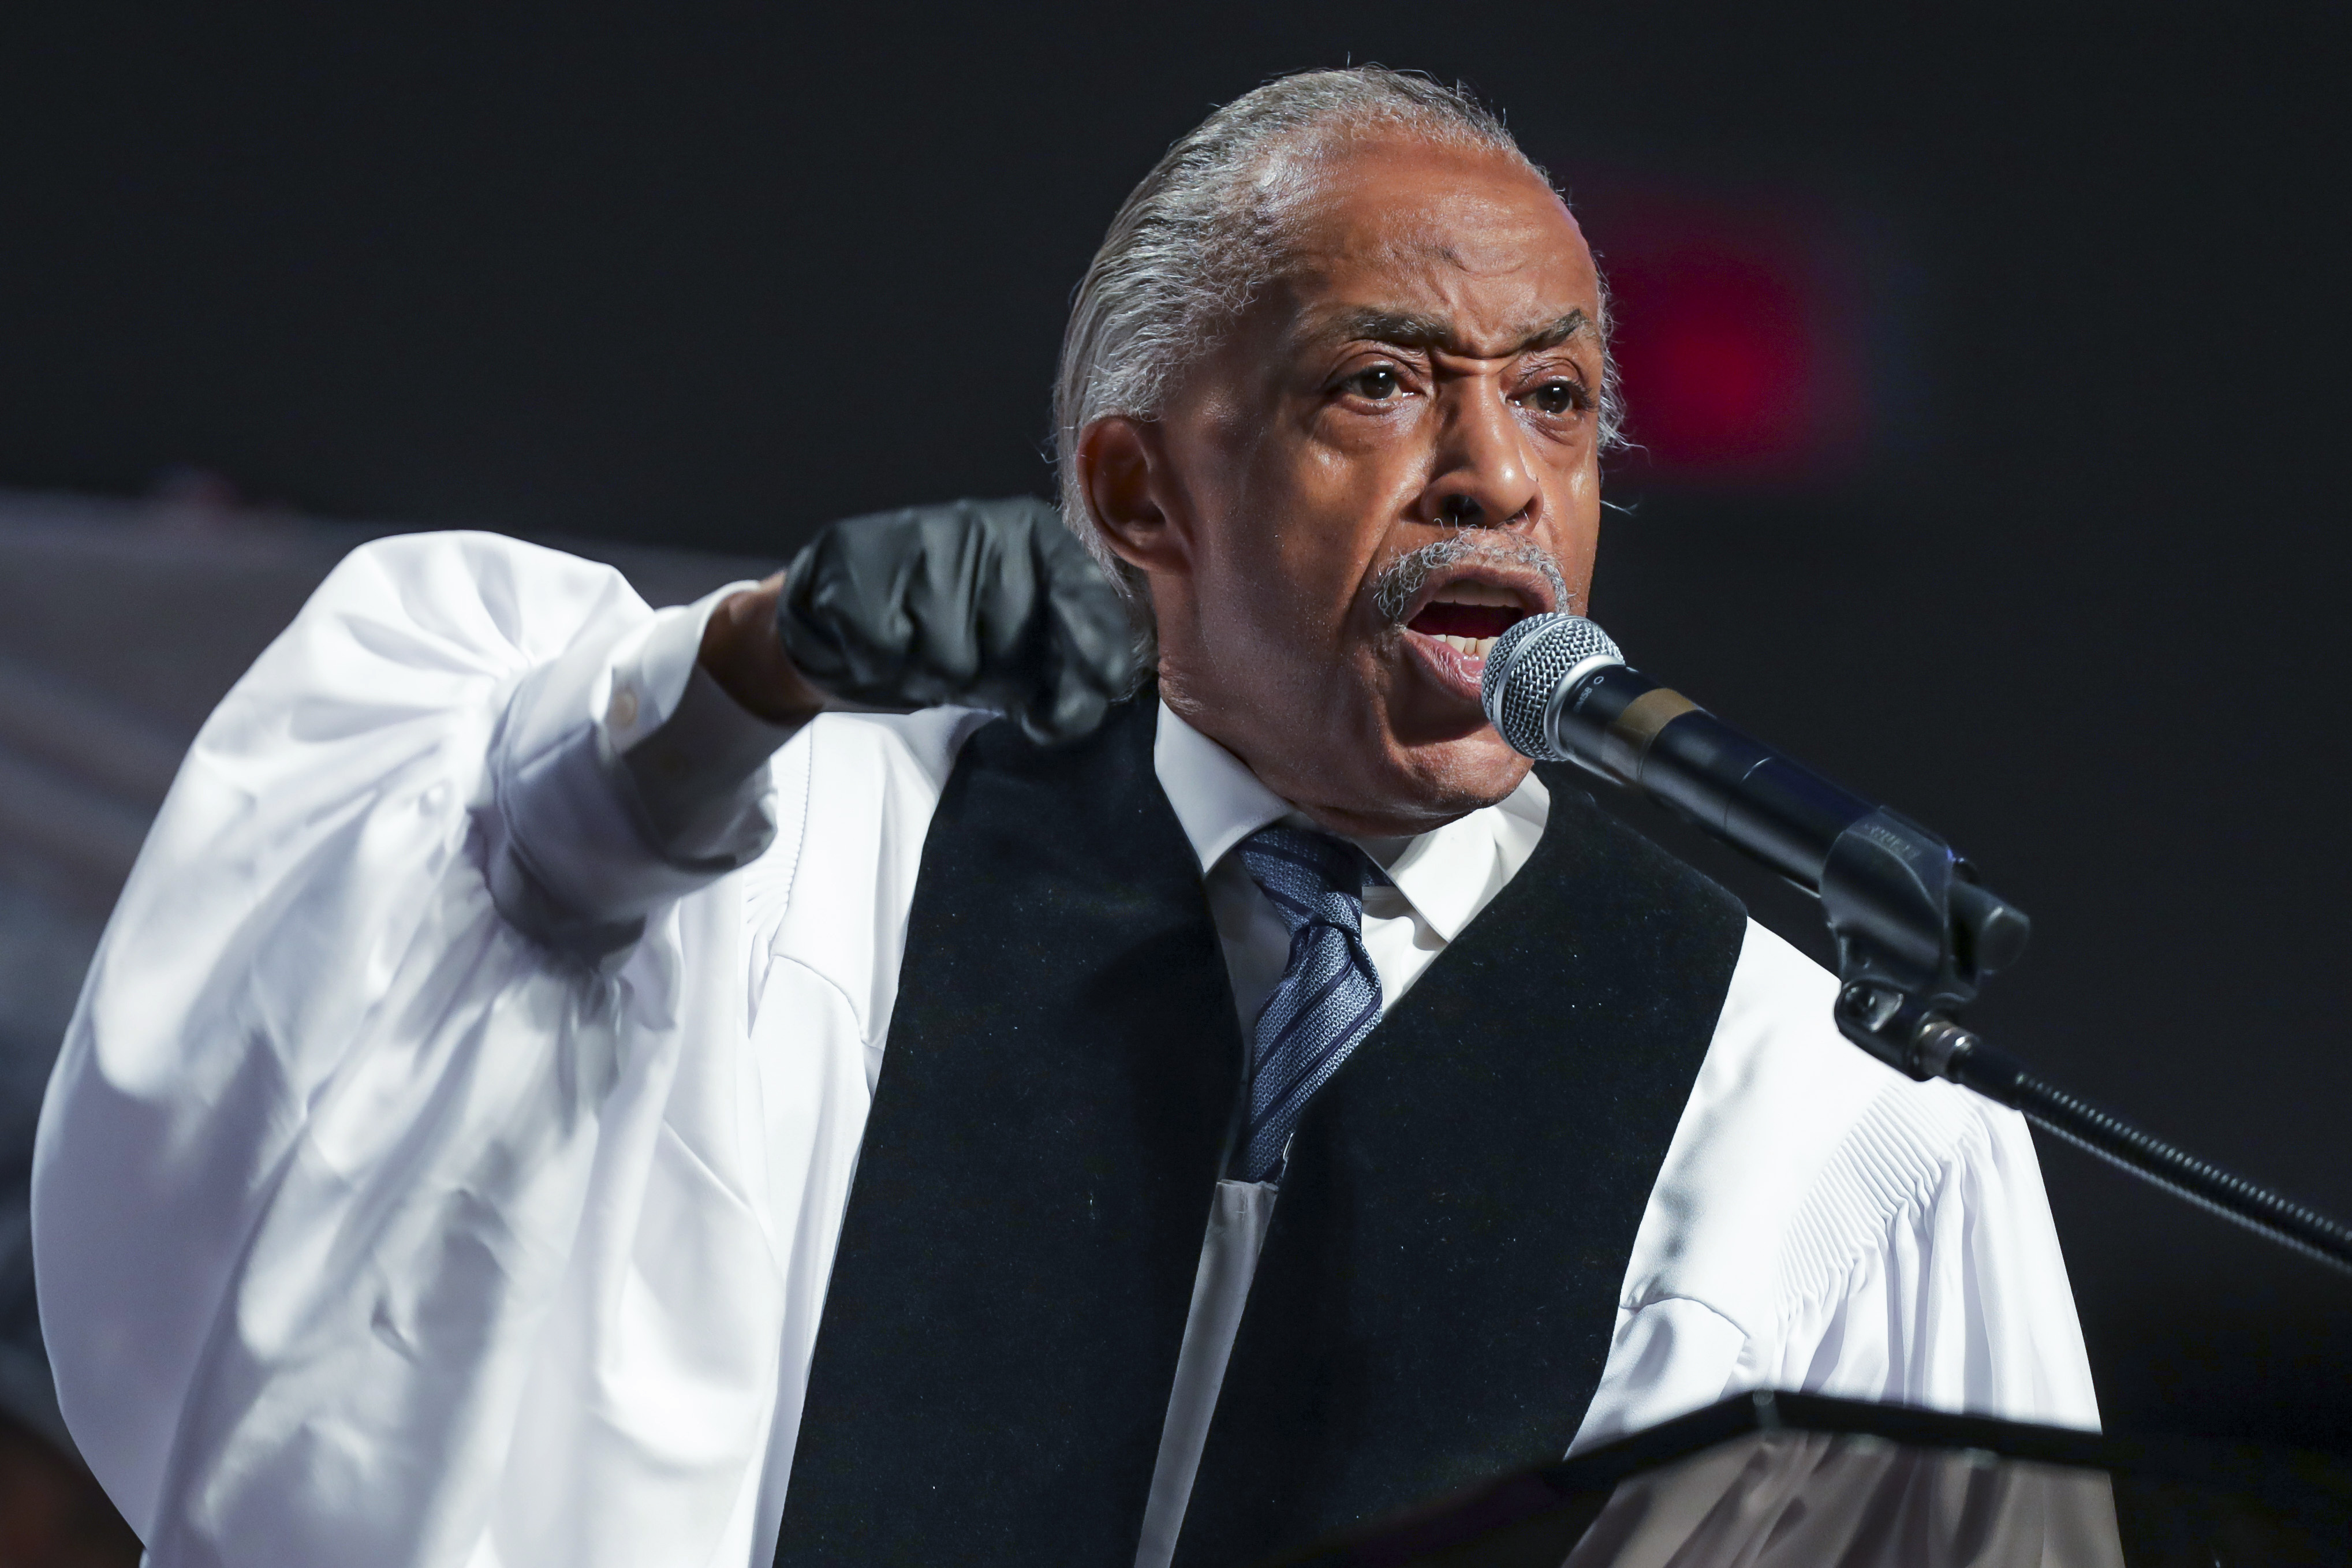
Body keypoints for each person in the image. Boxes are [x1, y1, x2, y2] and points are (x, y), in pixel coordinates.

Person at [32, 67, 2096, 1568]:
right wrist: (745, 665)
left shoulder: (1807, 1111)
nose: (1493, 475)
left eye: (1552, 398)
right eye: (1381, 380)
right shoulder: (807, 860)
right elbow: (473, 903)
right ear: (1135, 496)